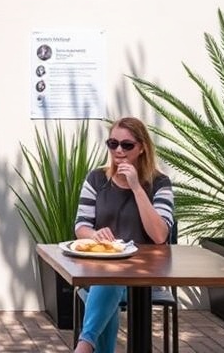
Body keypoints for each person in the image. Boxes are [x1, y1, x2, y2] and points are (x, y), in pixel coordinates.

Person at [73, 117, 174, 353]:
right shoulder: (96, 179)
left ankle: (84, 345)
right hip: (100, 271)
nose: (118, 150)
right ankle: (86, 345)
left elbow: (160, 235)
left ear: (142, 148)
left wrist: (137, 187)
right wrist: (95, 234)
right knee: (110, 278)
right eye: (113, 143)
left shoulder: (160, 184)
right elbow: (80, 227)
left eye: (127, 145)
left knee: (110, 282)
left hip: (145, 277)